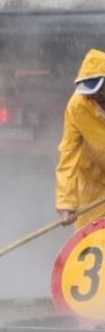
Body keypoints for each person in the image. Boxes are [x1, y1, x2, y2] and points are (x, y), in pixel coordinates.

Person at [56, 49, 105, 228]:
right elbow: (68, 154)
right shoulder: (77, 106)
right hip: (94, 188)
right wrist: (66, 203)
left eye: (96, 91)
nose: (89, 96)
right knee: (92, 240)